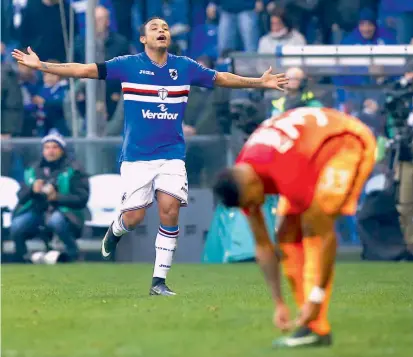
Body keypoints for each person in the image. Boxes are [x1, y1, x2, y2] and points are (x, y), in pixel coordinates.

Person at [12, 16, 288, 296]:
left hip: (172, 155)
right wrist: (42, 66)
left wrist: (259, 82)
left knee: (170, 210)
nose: (162, 31)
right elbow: (82, 69)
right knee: (134, 218)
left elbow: (220, 79)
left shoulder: (184, 67)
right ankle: (117, 228)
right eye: (155, 28)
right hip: (137, 157)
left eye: (166, 28)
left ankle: (159, 282)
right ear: (143, 38)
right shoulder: (127, 65)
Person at [213, 107, 376, 347]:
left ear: (250, 183)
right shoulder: (243, 176)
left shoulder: (288, 172)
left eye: (250, 201)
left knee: (313, 225)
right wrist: (278, 302)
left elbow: (327, 236)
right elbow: (263, 245)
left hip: (347, 142)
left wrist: (318, 296)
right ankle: (311, 325)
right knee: (287, 235)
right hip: (309, 148)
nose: (255, 207)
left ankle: (314, 318)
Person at [10, 133, 89, 263]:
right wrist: (32, 190)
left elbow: (82, 198)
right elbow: (20, 197)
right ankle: (22, 257)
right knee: (17, 225)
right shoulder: (33, 169)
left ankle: (73, 252)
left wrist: (57, 197)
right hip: (37, 212)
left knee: (56, 220)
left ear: (62, 150)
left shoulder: (74, 170)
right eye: (47, 147)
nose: (50, 151)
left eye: (54, 147)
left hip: (67, 214)